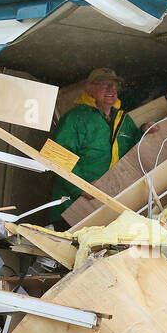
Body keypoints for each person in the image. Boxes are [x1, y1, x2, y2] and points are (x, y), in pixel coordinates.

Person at [49, 68, 142, 226]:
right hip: (72, 207)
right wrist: (82, 186)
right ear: (89, 88)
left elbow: (133, 152)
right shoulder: (76, 118)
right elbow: (56, 156)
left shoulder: (124, 119)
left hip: (110, 205)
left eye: (114, 85)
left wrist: (145, 131)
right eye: (104, 84)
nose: (111, 90)